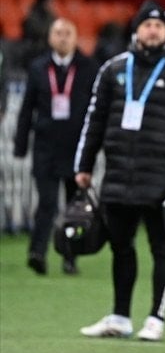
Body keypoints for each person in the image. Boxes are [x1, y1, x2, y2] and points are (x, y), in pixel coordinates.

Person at [74, 0, 165, 341]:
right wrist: (84, 166)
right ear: (136, 30)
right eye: (146, 25)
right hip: (117, 177)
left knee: (161, 248)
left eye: (158, 26)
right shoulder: (113, 68)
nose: (152, 30)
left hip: (160, 178)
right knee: (120, 247)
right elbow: (95, 118)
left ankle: (156, 319)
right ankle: (120, 316)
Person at [14, 18, 98, 275]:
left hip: (76, 149)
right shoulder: (39, 68)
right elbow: (27, 108)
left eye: (67, 33)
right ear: (50, 37)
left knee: (75, 208)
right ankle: (37, 252)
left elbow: (97, 111)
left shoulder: (88, 68)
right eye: (58, 33)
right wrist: (21, 143)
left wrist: (95, 147)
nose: (62, 38)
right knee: (47, 203)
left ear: (75, 38)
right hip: (46, 148)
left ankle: (70, 257)